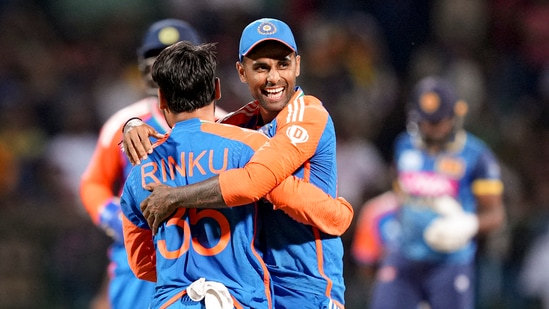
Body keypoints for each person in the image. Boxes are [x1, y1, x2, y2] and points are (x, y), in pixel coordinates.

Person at [122, 18, 349, 308]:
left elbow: (254, 181)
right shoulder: (241, 130)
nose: (273, 78)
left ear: (298, 66)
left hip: (307, 283)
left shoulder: (308, 113)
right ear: (241, 72)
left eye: (283, 64)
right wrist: (132, 125)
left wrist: (173, 197)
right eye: (261, 67)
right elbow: (192, 134)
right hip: (259, 284)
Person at [79, 18, 222, 308]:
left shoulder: (227, 123)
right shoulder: (121, 123)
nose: (162, 66)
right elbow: (93, 183)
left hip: (208, 253)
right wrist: (112, 217)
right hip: (140, 258)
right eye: (153, 57)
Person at [369, 76, 506, 309]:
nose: (430, 129)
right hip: (404, 255)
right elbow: (400, 194)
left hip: (449, 263)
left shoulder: (476, 155)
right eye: (424, 122)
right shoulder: (404, 145)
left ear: (454, 116)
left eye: (437, 122)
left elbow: (496, 215)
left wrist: (468, 224)